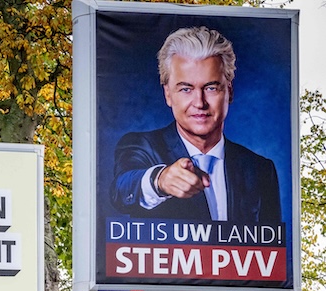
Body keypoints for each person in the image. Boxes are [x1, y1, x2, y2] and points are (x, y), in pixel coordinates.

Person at [110, 25, 281, 224]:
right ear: (168, 94)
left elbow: (273, 250)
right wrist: (160, 180)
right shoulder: (141, 146)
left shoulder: (260, 170)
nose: (199, 102)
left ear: (229, 91)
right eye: (185, 89)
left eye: (210, 88)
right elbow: (122, 189)